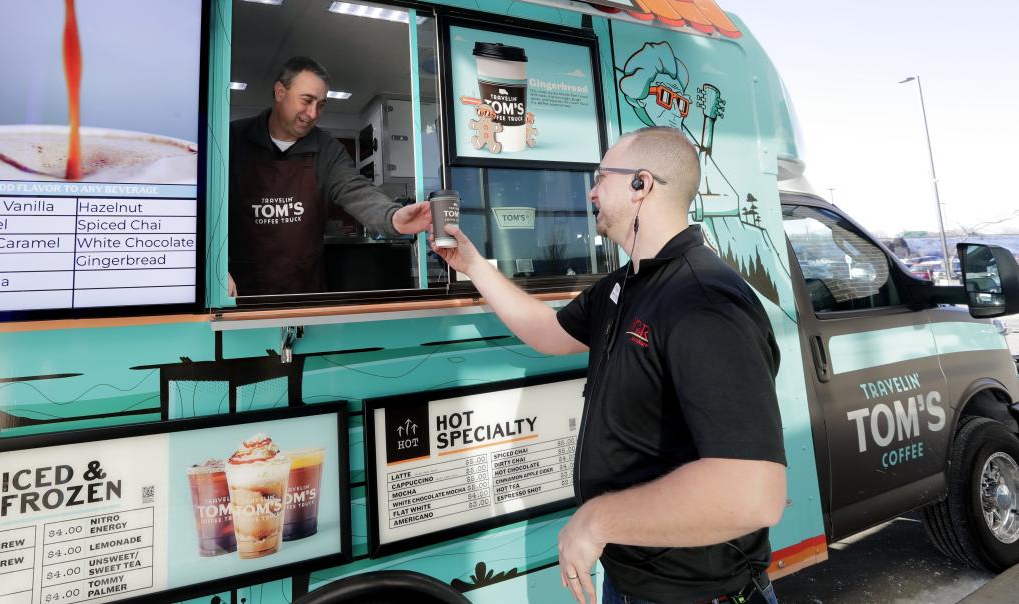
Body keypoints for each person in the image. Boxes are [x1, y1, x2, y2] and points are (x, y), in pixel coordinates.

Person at [431, 127, 786, 604]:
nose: (592, 191)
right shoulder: (623, 287)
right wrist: (472, 264)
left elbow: (753, 492)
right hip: (632, 582)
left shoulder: (703, 302)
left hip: (697, 595)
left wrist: (597, 520)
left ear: (642, 184)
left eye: (601, 178)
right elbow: (549, 332)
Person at [228, 56, 431, 296]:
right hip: (242, 290)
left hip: (304, 290)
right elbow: (204, 209)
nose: (313, 113)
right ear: (280, 92)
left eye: (321, 104)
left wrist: (394, 217)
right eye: (306, 100)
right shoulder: (233, 139)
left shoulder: (326, 148)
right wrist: (216, 268)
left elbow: (355, 190)